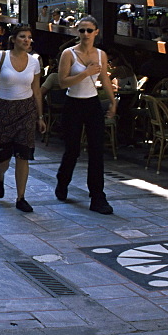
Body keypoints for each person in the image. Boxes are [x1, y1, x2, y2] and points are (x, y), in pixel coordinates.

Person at [54, 15, 117, 215]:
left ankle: (97, 196)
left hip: (92, 104)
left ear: (96, 32)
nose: (85, 34)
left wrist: (113, 101)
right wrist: (85, 73)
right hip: (73, 103)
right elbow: (63, 82)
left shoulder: (101, 55)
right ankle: (63, 181)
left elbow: (105, 79)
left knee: (97, 150)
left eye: (89, 30)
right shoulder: (68, 54)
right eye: (82, 30)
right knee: (72, 149)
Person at [0, 25, 44, 213]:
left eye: (29, 37)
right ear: (14, 39)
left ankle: (21, 197)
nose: (26, 40)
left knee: (23, 155)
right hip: (3, 109)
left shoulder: (34, 62)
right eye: (22, 37)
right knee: (3, 157)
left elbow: (36, 90)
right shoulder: (0, 57)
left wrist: (40, 116)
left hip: (26, 110)